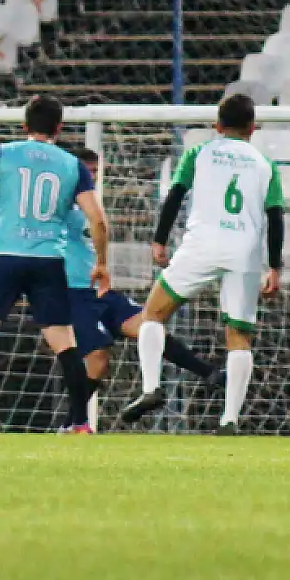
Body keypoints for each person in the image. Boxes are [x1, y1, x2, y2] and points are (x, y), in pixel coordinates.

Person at [121, 93, 282, 435]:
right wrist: (275, 267)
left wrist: (160, 240)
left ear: (217, 125)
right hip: (245, 252)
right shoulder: (265, 163)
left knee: (154, 313)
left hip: (202, 245)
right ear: (253, 128)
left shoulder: (199, 153)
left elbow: (175, 195)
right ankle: (229, 420)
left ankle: (151, 388)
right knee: (238, 337)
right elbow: (276, 216)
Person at [0, 95, 109, 435]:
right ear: (59, 128)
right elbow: (98, 220)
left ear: (24, 125)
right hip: (49, 261)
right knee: (64, 342)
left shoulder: (3, 153)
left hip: (7, 257)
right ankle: (80, 423)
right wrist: (102, 263)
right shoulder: (72, 164)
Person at [65, 148, 219, 414]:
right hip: (71, 293)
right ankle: (73, 422)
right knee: (98, 358)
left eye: (95, 172)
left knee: (149, 325)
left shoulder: (88, 202)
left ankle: (210, 374)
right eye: (87, 171)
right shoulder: (59, 205)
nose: (92, 177)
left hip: (100, 290)